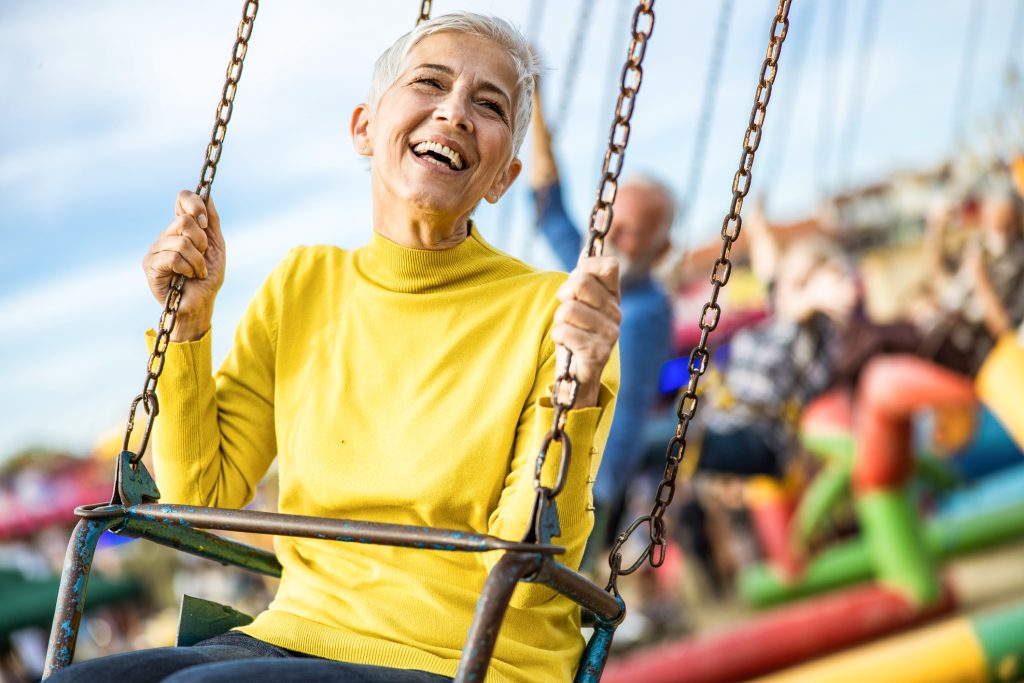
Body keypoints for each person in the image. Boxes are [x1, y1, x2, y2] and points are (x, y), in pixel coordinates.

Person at [52, 13, 620, 683]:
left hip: (466, 656)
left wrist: (577, 386)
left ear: (503, 177)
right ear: (364, 127)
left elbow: (524, 571)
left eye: (488, 103)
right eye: (431, 82)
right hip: (295, 634)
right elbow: (200, 490)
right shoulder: (302, 283)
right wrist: (189, 322)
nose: (455, 112)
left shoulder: (554, 315)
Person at [528, 85, 673, 558]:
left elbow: (622, 408)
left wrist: (592, 492)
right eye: (609, 220)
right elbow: (549, 207)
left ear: (661, 250)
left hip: (592, 488)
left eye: (632, 231)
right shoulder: (599, 271)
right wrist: (537, 107)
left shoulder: (647, 308)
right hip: (557, 476)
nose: (612, 235)